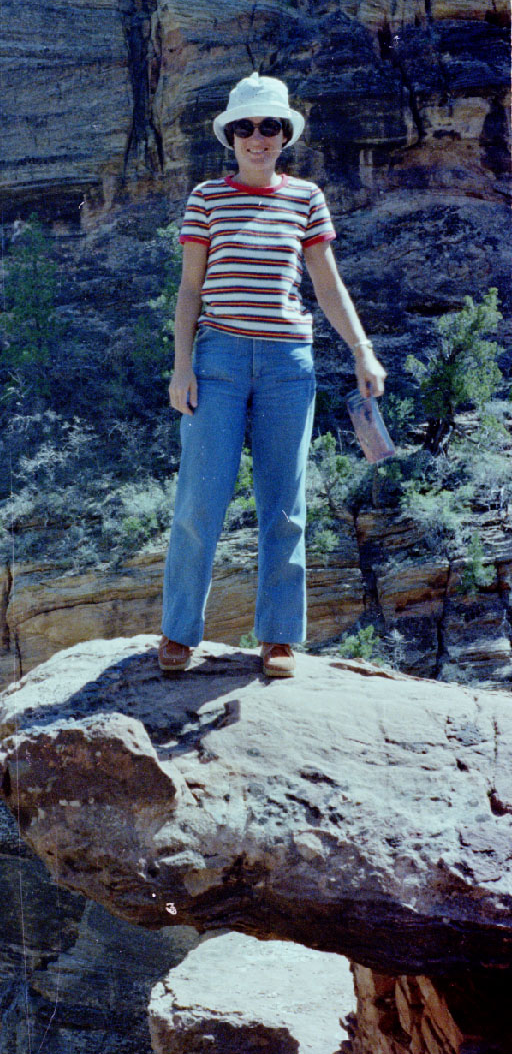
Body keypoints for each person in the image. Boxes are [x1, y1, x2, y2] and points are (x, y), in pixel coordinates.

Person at [158, 72, 387, 679]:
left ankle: (279, 637)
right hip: (219, 359)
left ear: (284, 135)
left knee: (284, 502)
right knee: (199, 499)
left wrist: (362, 350)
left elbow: (326, 283)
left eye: (270, 126)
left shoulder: (306, 198)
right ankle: (179, 632)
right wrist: (181, 366)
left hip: (289, 362)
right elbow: (188, 289)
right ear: (230, 135)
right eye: (246, 127)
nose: (258, 137)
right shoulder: (207, 198)